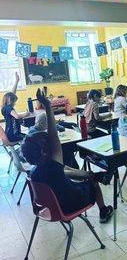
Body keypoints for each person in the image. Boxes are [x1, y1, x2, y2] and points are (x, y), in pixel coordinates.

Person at [21, 89, 113, 222]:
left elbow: (64, 170)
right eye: (48, 144)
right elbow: (54, 136)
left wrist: (87, 174)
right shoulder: (54, 165)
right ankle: (103, 211)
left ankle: (92, 175)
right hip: (69, 205)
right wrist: (47, 105)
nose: (51, 144)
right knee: (93, 183)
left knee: (79, 173)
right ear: (44, 151)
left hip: (49, 207)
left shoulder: (34, 172)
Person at [1, 72, 29, 142]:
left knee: (29, 137)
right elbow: (16, 116)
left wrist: (17, 81)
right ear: (10, 101)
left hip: (12, 133)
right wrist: (26, 114)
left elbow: (12, 94)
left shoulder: (5, 107)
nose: (15, 103)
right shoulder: (8, 108)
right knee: (30, 139)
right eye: (14, 102)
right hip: (14, 135)